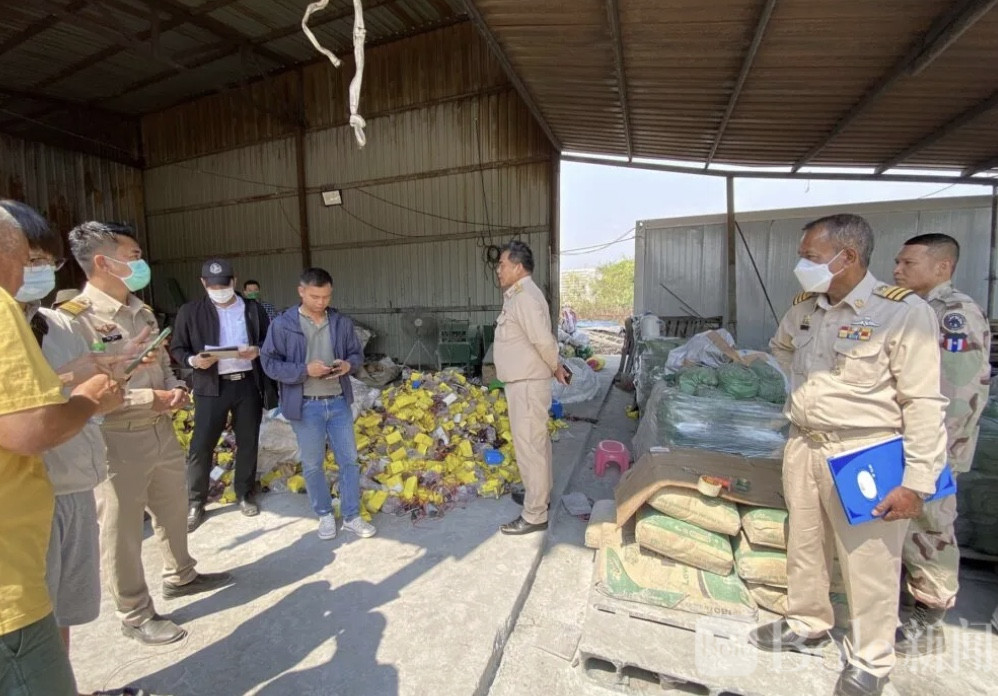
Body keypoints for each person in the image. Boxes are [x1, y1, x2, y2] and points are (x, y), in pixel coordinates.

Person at [751, 214, 948, 696]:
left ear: (848, 257)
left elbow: (923, 402)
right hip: (804, 445)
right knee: (805, 544)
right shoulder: (805, 309)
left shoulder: (901, 312)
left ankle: (871, 659)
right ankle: (807, 622)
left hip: (865, 452)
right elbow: (781, 350)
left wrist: (917, 482)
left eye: (811, 257)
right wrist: (804, 393)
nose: (802, 265)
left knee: (871, 563)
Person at [60, 221, 232, 647]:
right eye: (133, 256)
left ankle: (181, 574)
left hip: (160, 430)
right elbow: (79, 391)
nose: (141, 264)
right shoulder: (74, 321)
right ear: (103, 262)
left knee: (172, 508)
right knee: (121, 530)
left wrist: (174, 389)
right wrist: (146, 399)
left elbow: (163, 364)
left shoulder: (142, 310)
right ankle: (134, 612)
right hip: (115, 439)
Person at [0, 204, 123, 696]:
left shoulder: (54, 322)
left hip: (67, 480)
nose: (36, 273)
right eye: (30, 260)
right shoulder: (9, 314)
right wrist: (85, 396)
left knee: (61, 612)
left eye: (48, 263)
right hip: (18, 537)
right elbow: (27, 424)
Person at [892, 233, 991, 654]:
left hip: (933, 446)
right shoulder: (915, 309)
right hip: (909, 439)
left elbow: (957, 392)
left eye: (908, 263)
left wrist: (933, 455)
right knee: (907, 523)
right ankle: (909, 598)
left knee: (930, 527)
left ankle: (928, 621)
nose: (897, 270)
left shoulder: (953, 315)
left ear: (942, 267)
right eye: (897, 262)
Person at [261, 268, 375, 541]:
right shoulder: (283, 325)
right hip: (305, 406)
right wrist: (304, 370)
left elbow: (356, 355)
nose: (321, 302)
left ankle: (351, 515)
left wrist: (348, 365)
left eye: (326, 297)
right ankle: (324, 514)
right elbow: (269, 363)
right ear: (301, 291)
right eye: (315, 297)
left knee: (349, 461)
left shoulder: (340, 323)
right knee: (313, 464)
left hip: (338, 402)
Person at [171, 259, 276, 531]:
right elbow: (178, 348)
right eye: (213, 286)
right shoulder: (190, 312)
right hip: (210, 386)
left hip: (247, 384)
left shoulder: (252, 309)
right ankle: (196, 501)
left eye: (224, 285)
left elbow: (270, 341)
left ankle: (244, 493)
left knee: (248, 441)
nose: (219, 290)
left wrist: (257, 350)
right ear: (203, 284)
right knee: (201, 444)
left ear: (234, 281)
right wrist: (193, 361)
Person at [493, 240, 568, 535]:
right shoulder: (519, 295)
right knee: (537, 444)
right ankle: (540, 495)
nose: (498, 270)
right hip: (524, 382)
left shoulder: (523, 297)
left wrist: (556, 365)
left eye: (502, 264)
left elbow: (543, 340)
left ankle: (535, 514)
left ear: (518, 267)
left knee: (530, 449)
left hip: (526, 385)